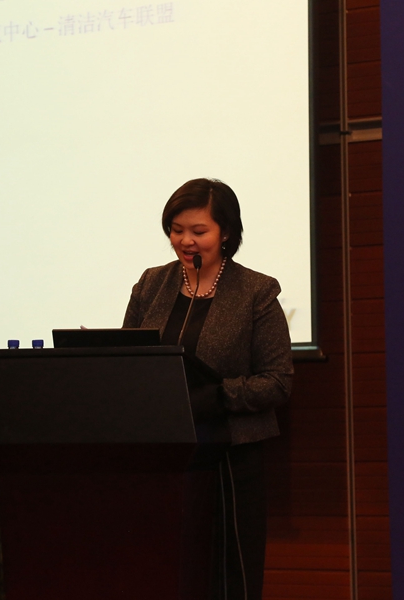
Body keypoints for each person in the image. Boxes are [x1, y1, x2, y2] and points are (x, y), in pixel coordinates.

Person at [123, 177, 294, 600]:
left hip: (230, 455)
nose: (186, 241)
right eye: (176, 230)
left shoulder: (256, 292)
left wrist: (215, 397)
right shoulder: (150, 285)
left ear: (227, 232)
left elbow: (277, 381)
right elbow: (128, 359)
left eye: (199, 231)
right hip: (163, 455)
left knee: (230, 572)